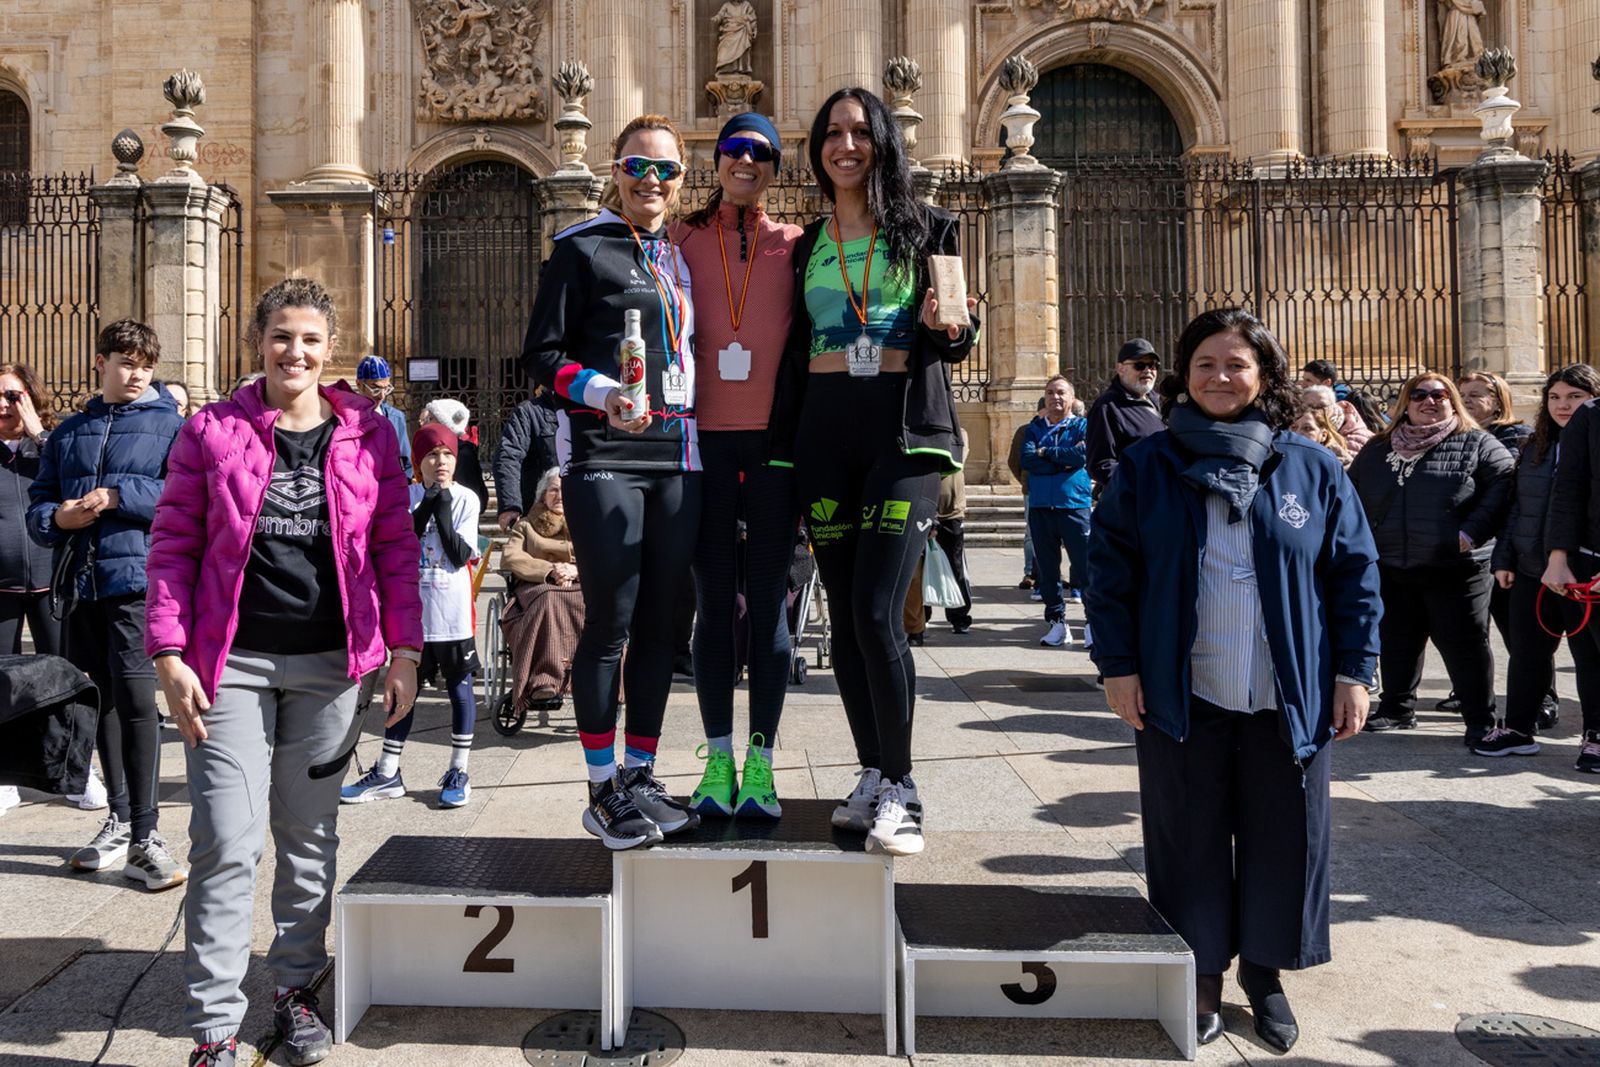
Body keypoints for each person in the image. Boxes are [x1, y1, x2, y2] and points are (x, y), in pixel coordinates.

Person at [1085, 307, 1381, 1053]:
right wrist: (1117, 665)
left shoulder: (1309, 467)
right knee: (1190, 836)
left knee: (1287, 834)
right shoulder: (1150, 465)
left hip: (1288, 695)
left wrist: (1355, 670)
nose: (1222, 377)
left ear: (1266, 375)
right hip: (1184, 691)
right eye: (1208, 363)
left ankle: (1266, 972)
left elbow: (1354, 573)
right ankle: (1202, 971)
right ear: (1187, 372)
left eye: (1238, 364)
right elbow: (1109, 571)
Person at [146, 277, 423, 1067]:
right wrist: (167, 652)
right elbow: (172, 546)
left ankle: (296, 989)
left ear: (329, 347)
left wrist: (405, 649)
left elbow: (397, 547)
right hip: (228, 664)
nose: (293, 351)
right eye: (279, 336)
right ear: (257, 343)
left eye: (308, 337)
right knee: (226, 841)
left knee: (309, 837)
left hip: (333, 666)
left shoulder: (369, 434)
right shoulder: (211, 431)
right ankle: (214, 1029)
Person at [766, 87, 977, 857]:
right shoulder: (806, 244)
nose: (846, 145)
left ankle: (905, 785)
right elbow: (791, 349)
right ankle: (870, 772)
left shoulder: (929, 229)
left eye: (860, 132)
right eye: (832, 133)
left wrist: (951, 324)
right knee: (849, 623)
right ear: (817, 148)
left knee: (878, 612)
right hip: (825, 434)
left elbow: (957, 331)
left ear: (883, 142)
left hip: (901, 436)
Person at [519, 113, 702, 850]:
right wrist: (600, 393)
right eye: (637, 166)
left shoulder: (683, 256)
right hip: (603, 453)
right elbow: (541, 354)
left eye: (665, 170)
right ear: (615, 170)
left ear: (681, 180)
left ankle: (641, 774)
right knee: (611, 621)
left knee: (664, 624)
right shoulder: (579, 249)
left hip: (678, 453)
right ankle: (601, 789)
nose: (651, 181)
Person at [671, 113, 803, 819]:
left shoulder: (798, 244)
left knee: (772, 609)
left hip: (776, 450)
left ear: (776, 168)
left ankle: (763, 762)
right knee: (714, 607)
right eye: (734, 150)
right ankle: (718, 758)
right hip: (704, 446)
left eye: (760, 152)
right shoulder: (683, 238)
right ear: (714, 160)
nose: (745, 161)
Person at [27, 320, 185, 888]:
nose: (136, 371)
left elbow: (183, 495)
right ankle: (118, 818)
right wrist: (57, 519)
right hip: (80, 584)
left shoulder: (171, 427)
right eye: (125, 360)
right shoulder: (70, 431)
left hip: (137, 583)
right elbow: (40, 503)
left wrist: (120, 496)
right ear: (101, 363)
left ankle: (148, 833)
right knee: (101, 703)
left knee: (140, 702)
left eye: (145, 362)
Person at [1348, 372, 1512, 745]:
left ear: (1451, 400)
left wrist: (1470, 533)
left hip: (1454, 567)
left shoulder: (1478, 443)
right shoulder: (1378, 448)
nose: (1429, 401)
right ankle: (1396, 708)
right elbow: (1350, 495)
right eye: (1419, 394)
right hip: (1391, 562)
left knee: (1464, 644)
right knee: (1396, 638)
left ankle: (1479, 718)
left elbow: (1504, 485)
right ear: (1405, 402)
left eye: (1440, 395)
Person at [342, 423, 481, 808]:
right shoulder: (405, 495)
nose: (441, 462)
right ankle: (388, 770)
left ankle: (458, 769)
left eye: (448, 455)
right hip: (412, 614)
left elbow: (457, 552)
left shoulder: (467, 499)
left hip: (452, 612)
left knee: (459, 687)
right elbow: (404, 538)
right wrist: (427, 504)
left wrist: (444, 504)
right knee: (402, 690)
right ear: (418, 461)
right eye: (432, 455)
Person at [1478, 365, 1600, 761]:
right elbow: (1518, 508)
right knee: (1528, 652)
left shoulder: (1592, 441)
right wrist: (1505, 557)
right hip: (1533, 568)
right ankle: (1517, 728)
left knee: (1588, 658)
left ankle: (1594, 735)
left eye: (1574, 397)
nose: (1563, 405)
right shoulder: (1536, 445)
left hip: (1579, 572)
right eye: (1555, 397)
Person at [500, 467, 584, 706]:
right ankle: (544, 678)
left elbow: (601, 556)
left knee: (594, 604)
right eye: (553, 490)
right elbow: (511, 557)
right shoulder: (526, 525)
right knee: (549, 599)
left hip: (578, 583)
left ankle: (585, 676)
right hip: (537, 586)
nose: (559, 495)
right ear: (543, 495)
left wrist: (576, 570)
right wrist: (549, 571)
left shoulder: (587, 522)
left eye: (565, 490)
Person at [1022, 375, 1091, 647]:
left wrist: (1046, 452)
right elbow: (1027, 460)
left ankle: (1092, 623)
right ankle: (1056, 624)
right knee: (1048, 572)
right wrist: (1060, 459)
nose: (1055, 397)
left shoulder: (1083, 426)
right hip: (1041, 507)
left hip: (1073, 505)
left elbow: (1082, 457)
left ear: (1072, 398)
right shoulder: (1034, 427)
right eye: (1050, 392)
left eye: (1061, 392)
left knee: (1086, 569)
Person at [0, 364, 60, 657]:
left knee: (62, 673)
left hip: (52, 583)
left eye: (12, 396)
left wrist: (39, 436)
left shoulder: (54, 445)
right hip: (1, 588)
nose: (3, 404)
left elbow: (74, 480)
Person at [1084, 338, 1163, 493]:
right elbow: (1101, 465)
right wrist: (1144, 482)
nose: (1147, 370)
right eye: (1139, 365)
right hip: (1135, 503)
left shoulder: (1159, 401)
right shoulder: (1107, 407)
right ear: (1120, 369)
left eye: (1152, 365)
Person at [493, 388, 561, 530]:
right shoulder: (529, 411)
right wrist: (510, 505)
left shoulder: (593, 409)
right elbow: (508, 456)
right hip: (540, 515)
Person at [422, 397, 489, 514]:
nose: (425, 423)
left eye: (430, 418)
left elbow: (470, 497)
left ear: (443, 423)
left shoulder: (463, 453)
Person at [1007, 397, 1046, 590]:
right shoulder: (1025, 431)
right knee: (1031, 532)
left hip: (1052, 489)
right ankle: (1030, 571)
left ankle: (1048, 572)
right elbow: (1014, 462)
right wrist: (1025, 481)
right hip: (1032, 489)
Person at [355, 354, 413, 479]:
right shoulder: (344, 417)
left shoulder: (396, 418)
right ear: (359, 385)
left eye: (386, 388)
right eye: (375, 388)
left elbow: (407, 462)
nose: (381, 396)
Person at [1301, 383, 1370, 452]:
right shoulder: (1296, 429)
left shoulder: (1356, 435)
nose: (1316, 411)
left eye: (1321, 406)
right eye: (1310, 407)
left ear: (1333, 407)